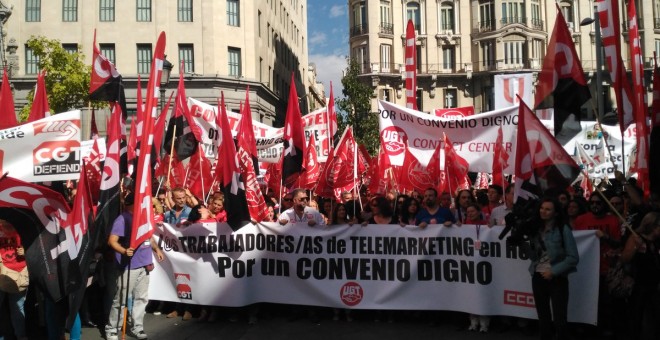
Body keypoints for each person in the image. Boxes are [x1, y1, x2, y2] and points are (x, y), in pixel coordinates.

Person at [105, 194, 164, 340]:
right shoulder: (122, 219)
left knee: (141, 298)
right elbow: (112, 241)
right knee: (121, 298)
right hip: (129, 266)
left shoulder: (144, 218)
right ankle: (112, 329)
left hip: (144, 264)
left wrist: (157, 249)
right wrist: (124, 251)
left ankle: (137, 327)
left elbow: (149, 237)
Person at [524, 197, 579, 340]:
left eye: (548, 209)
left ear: (555, 213)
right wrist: (521, 244)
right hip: (537, 276)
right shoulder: (536, 229)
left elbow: (573, 257)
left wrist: (553, 271)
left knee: (560, 319)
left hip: (557, 278)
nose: (543, 211)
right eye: (542, 208)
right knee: (543, 318)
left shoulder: (563, 229)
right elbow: (532, 256)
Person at [621, 212, 660, 340]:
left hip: (653, 285)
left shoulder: (655, 242)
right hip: (639, 285)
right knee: (637, 317)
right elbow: (625, 259)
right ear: (652, 226)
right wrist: (636, 246)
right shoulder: (636, 238)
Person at [0, 219, 28, 340]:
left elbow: (37, 248)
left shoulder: (22, 227)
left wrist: (25, 251)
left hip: (19, 273)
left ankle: (21, 336)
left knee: (18, 307)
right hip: (2, 273)